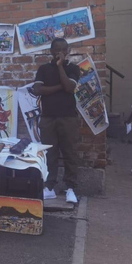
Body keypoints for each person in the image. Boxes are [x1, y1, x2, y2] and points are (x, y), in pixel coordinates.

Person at [32, 38, 81, 204]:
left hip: (68, 118)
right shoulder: (44, 69)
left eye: (62, 49)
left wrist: (60, 67)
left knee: (70, 153)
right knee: (49, 154)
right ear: (51, 51)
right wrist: (60, 87)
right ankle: (50, 187)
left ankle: (70, 189)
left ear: (67, 51)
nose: (59, 52)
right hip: (48, 118)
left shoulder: (73, 68)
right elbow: (37, 90)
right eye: (56, 49)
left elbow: (69, 87)